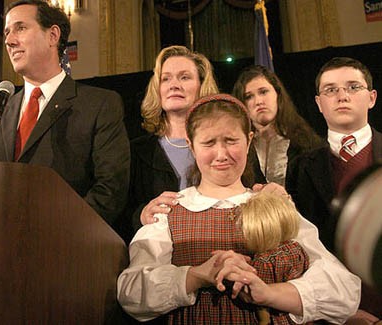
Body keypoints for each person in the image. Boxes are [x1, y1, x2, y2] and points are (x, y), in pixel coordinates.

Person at [117, 94, 360, 324]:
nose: (221, 154)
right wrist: (197, 275)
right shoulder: (170, 212)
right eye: (209, 142)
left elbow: (343, 289)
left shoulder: (274, 204)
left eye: (231, 141)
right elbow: (131, 291)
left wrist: (268, 293)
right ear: (191, 146)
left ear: (249, 140)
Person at [0, 0, 130, 227]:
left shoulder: (100, 104)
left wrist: (59, 232)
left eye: (20, 28)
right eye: (6, 32)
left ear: (53, 35)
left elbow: (110, 188)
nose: (9, 40)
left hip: (64, 246)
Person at [287, 57, 381, 319]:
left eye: (353, 87)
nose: (342, 96)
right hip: (328, 313)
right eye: (331, 90)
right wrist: (343, 313)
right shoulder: (299, 168)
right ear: (319, 103)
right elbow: (297, 251)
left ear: (371, 98)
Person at [123, 45, 219, 242]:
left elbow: (251, 190)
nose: (174, 85)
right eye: (165, 78)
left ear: (202, 86)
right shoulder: (137, 151)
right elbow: (120, 213)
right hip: (160, 256)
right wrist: (142, 214)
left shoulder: (226, 143)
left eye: (184, 77)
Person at [232, 65, 323, 187]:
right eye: (248, 97)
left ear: (277, 94)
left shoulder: (306, 143)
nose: (258, 101)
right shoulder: (237, 149)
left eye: (263, 92)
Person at [240, 191, 309, 324]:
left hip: (276, 318)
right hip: (295, 314)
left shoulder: (264, 261)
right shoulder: (297, 249)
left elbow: (260, 301)